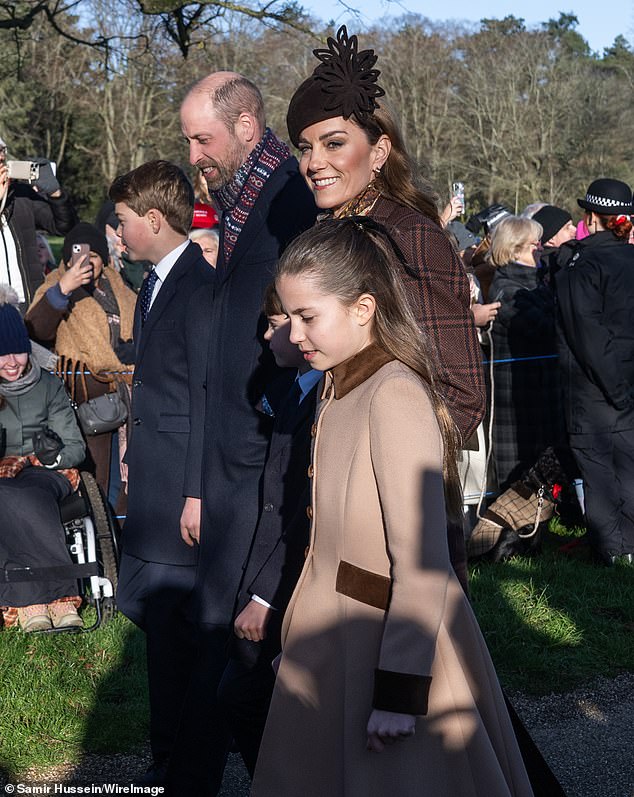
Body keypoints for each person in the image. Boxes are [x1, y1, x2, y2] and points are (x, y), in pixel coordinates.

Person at [250, 218, 532, 797]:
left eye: (308, 316)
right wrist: (297, 642)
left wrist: (400, 692)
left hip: (389, 648)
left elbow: (421, 559)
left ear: (363, 308)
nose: (294, 333)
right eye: (288, 316)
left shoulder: (394, 394)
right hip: (332, 643)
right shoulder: (336, 383)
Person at [285, 25, 484, 589]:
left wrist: (381, 463)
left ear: (380, 150)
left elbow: (463, 395)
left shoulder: (407, 235)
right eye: (305, 146)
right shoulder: (334, 234)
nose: (314, 161)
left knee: (405, 667)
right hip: (331, 507)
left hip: (395, 518)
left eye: (333, 142)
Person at [172, 71, 316, 794]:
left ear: (249, 125)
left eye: (204, 137)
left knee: (249, 663)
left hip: (271, 456)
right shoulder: (233, 201)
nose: (194, 153)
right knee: (223, 652)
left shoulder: (292, 197)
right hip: (227, 464)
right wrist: (198, 483)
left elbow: (299, 335)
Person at [108, 160, 216, 785]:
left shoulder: (197, 289)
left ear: (153, 220)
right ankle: (170, 751)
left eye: (122, 222)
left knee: (176, 632)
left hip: (182, 489)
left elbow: (206, 395)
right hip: (154, 475)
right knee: (158, 627)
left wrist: (198, 490)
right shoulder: (155, 284)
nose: (116, 234)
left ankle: (182, 759)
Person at [217, 282, 321, 775]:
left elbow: (304, 507)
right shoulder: (289, 388)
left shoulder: (323, 400)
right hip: (264, 570)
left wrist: (266, 596)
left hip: (285, 586)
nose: (269, 334)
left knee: (246, 697)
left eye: (277, 324)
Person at [25, 222, 136, 502]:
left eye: (93, 256)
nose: (86, 262)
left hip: (127, 396)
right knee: (94, 483)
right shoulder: (55, 287)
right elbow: (35, 330)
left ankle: (121, 538)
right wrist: (63, 290)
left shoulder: (120, 287)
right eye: (78, 255)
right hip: (83, 401)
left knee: (126, 483)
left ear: (104, 258)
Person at [555, 178, 634, 565]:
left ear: (590, 216)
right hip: (622, 390)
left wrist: (617, 390)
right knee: (628, 469)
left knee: (601, 474)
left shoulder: (579, 262)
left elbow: (587, 333)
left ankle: (615, 553)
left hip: (595, 391)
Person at [0, 284, 85, 632]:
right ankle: (45, 599)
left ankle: (47, 600)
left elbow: (76, 447)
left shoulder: (48, 386)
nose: (10, 363)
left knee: (21, 494)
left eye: (18, 352)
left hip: (43, 472)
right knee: (6, 495)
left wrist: (53, 455)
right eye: (1, 354)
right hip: (3, 476)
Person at [487, 215, 563, 489]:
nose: (541, 248)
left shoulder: (536, 283)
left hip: (542, 397)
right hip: (520, 403)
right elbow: (547, 328)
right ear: (515, 248)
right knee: (520, 487)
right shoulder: (507, 289)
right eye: (535, 243)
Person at [0, 135, 78, 310]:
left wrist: (55, 193)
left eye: (2, 151)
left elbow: (65, 227)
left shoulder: (20, 195)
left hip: (28, 305)